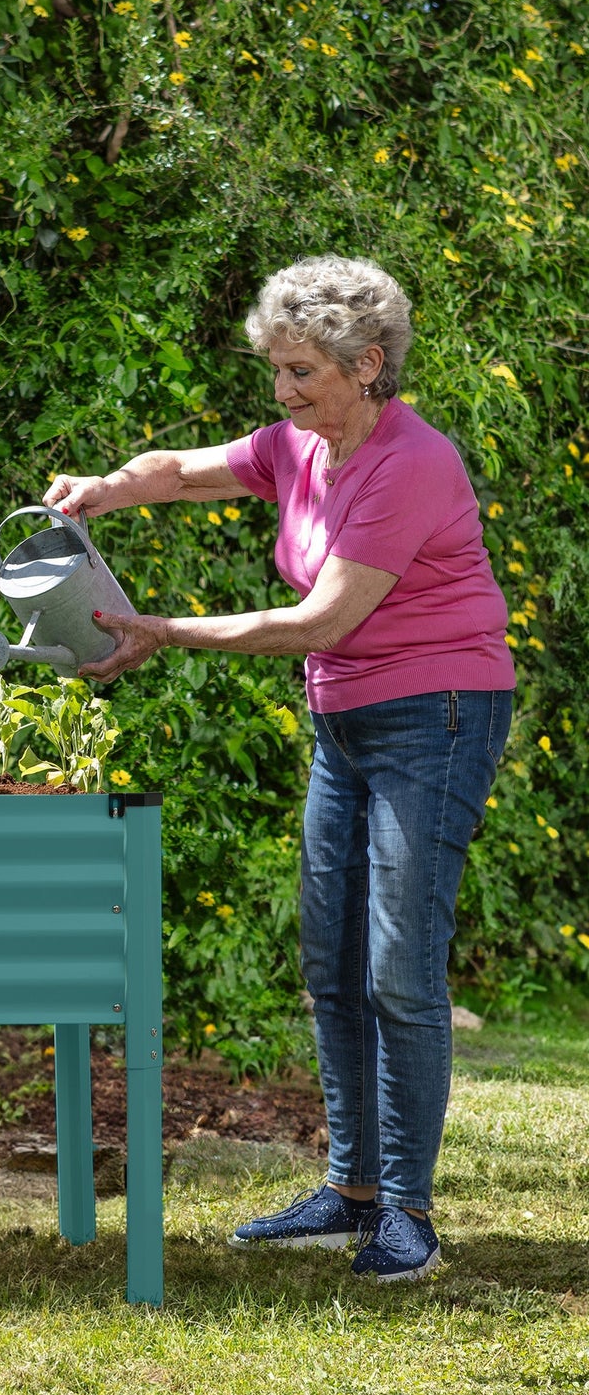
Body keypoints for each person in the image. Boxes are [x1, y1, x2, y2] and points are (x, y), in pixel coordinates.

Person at [42, 254, 514, 1281]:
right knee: (328, 959)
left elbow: (319, 619)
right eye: (276, 369)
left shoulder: (409, 463)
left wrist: (163, 628)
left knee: (397, 965)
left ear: (367, 365)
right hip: (343, 723)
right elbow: (180, 468)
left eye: (300, 370)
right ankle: (349, 1191)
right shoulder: (300, 445)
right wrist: (100, 491)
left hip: (435, 717)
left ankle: (408, 1214)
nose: (282, 390)